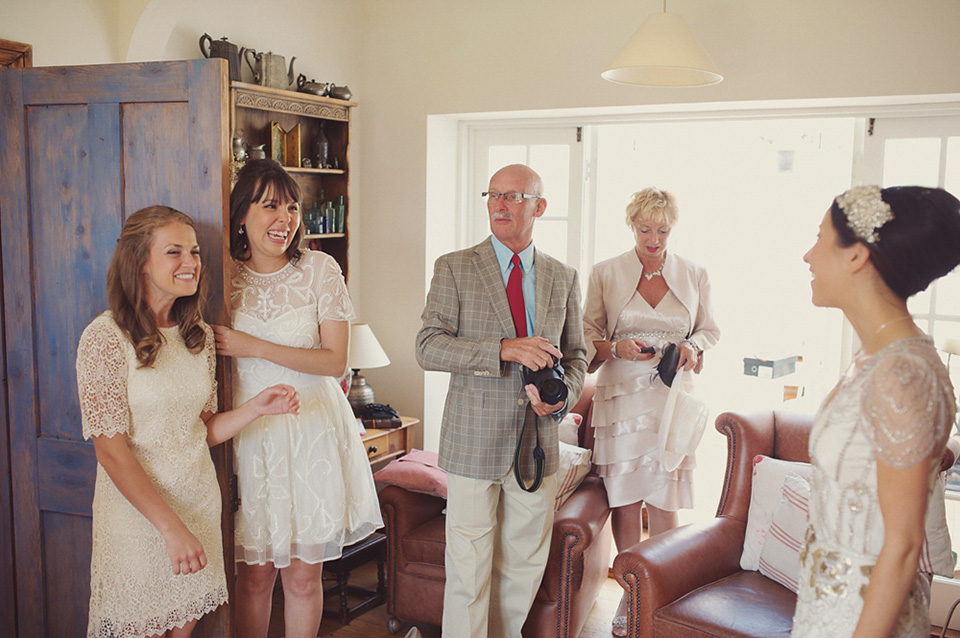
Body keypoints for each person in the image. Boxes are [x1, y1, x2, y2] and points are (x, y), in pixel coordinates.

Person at [77, 206, 300, 638]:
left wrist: (255, 408)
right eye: (174, 252)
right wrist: (170, 528)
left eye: (194, 251)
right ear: (139, 262)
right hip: (140, 519)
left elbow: (201, 430)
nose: (191, 263)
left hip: (198, 507)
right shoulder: (105, 338)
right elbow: (110, 449)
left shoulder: (195, 335)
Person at [212, 159, 382, 638]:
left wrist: (254, 347)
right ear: (241, 213)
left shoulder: (319, 269)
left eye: (291, 206)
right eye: (270, 206)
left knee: (304, 576)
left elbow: (334, 363)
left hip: (311, 431)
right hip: (249, 435)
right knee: (254, 575)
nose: (284, 218)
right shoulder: (223, 276)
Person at [416, 164, 587, 637]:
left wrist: (561, 399)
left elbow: (578, 355)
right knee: (468, 570)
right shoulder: (454, 267)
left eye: (513, 196)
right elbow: (427, 346)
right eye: (493, 195)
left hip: (538, 443)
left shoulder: (563, 276)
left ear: (539, 207)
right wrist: (501, 349)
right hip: (472, 443)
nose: (499, 205)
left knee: (523, 567)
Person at [792, 185, 960, 638]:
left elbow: (904, 547)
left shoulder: (902, 375)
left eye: (820, 237)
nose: (808, 256)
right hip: (824, 605)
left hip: (863, 617)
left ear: (856, 257)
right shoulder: (873, 357)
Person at [581, 187, 720, 635]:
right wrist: (615, 346)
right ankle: (630, 593)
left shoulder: (695, 274)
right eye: (645, 229)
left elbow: (710, 330)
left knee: (664, 496)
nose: (654, 238)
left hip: (671, 397)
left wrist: (693, 347)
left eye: (662, 230)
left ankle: (661, 592)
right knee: (625, 498)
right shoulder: (605, 273)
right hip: (620, 398)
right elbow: (585, 336)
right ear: (631, 225)